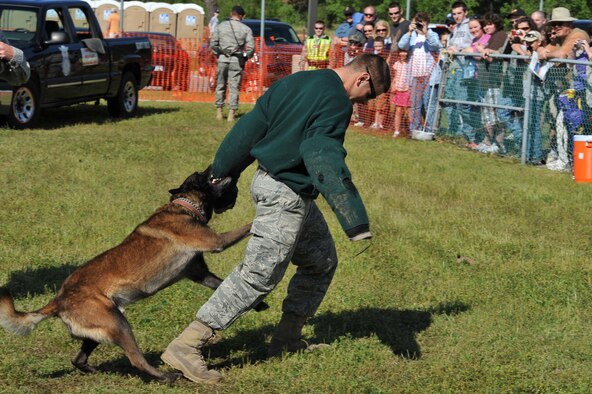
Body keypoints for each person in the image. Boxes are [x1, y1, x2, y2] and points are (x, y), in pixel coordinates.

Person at [160, 53, 391, 384]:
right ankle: (188, 344)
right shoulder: (338, 100)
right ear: (363, 79)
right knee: (259, 274)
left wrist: (222, 172)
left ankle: (287, 339)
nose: (362, 103)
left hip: (279, 187)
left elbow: (251, 126)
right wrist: (353, 217)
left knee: (321, 260)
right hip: (284, 195)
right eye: (368, 97)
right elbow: (320, 150)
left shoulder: (299, 80)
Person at [398, 12, 441, 135]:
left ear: (427, 23)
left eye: (422, 23)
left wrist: (426, 32)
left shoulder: (432, 34)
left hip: (428, 76)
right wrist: (409, 32)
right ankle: (414, 130)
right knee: (415, 105)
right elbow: (402, 45)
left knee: (429, 105)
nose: (419, 25)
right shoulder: (412, 36)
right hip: (415, 76)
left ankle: (429, 130)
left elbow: (435, 45)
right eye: (417, 22)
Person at [210, 6, 255, 122]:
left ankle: (219, 112)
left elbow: (213, 44)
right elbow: (251, 48)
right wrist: (245, 57)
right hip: (236, 60)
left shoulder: (220, 26)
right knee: (234, 86)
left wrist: (218, 54)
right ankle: (231, 114)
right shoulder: (246, 29)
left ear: (231, 14)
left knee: (220, 84)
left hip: (222, 59)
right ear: (242, 16)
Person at [445, 1, 475, 142]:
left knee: (464, 104)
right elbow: (453, 45)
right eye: (454, 14)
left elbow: (477, 43)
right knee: (453, 102)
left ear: (466, 12)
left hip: (466, 69)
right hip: (454, 69)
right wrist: (450, 48)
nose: (456, 16)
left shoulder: (470, 25)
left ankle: (472, 136)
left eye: (459, 13)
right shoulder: (456, 28)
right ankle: (458, 132)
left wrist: (460, 50)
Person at [369, 37, 388, 129]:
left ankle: (380, 123)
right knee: (376, 105)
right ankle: (376, 122)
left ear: (383, 46)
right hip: (375, 84)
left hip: (383, 84)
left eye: (379, 46)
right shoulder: (373, 56)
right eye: (376, 46)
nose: (377, 48)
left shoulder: (386, 56)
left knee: (382, 105)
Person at [391, 50, 410, 137]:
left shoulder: (410, 64)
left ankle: (410, 130)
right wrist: (393, 85)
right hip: (398, 89)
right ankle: (397, 131)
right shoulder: (397, 64)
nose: (403, 54)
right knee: (398, 111)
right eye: (401, 52)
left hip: (407, 90)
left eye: (404, 52)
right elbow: (395, 76)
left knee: (408, 111)